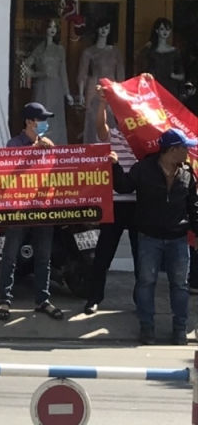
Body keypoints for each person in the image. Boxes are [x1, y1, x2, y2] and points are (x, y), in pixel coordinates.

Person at [115, 128, 197, 345]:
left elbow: (193, 206)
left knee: (180, 285)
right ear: (172, 150)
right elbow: (123, 186)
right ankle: (147, 329)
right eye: (185, 148)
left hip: (178, 239)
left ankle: (180, 330)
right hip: (149, 238)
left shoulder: (187, 172)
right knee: (146, 282)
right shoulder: (144, 168)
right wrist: (114, 165)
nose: (188, 152)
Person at [0, 102, 64, 322]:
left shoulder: (47, 144)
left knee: (43, 256)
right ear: (29, 122)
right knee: (10, 255)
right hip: (19, 207)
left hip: (42, 207)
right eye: (41, 120)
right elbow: (11, 170)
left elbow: (59, 172)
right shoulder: (14, 144)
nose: (44, 124)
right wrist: (35, 151)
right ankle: (4, 299)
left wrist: (52, 153)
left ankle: (43, 299)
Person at [83, 84, 137, 315]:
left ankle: (141, 301)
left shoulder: (143, 140)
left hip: (138, 203)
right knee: (103, 255)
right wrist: (103, 103)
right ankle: (94, 299)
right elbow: (100, 127)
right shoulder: (113, 136)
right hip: (114, 203)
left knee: (142, 257)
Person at [22, 19, 73, 144]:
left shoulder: (60, 49)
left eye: (55, 27)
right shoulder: (39, 49)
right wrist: (38, 74)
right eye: (50, 26)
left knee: (56, 118)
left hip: (56, 87)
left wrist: (67, 93)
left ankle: (57, 146)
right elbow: (25, 65)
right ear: (45, 29)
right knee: (41, 116)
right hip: (42, 87)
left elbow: (63, 72)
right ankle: (39, 144)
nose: (52, 29)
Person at [76, 19, 124, 144]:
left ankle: (113, 150)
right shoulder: (89, 52)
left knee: (111, 122)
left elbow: (120, 76)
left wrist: (121, 94)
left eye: (107, 28)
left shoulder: (115, 52)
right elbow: (83, 74)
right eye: (102, 27)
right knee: (93, 121)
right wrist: (81, 94)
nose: (104, 30)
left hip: (112, 90)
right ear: (97, 29)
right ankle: (92, 151)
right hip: (94, 90)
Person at [140, 17, 185, 97]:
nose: (165, 32)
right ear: (156, 30)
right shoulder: (150, 51)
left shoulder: (174, 52)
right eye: (162, 29)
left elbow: (181, 75)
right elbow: (143, 70)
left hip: (171, 89)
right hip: (154, 89)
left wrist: (174, 76)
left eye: (167, 29)